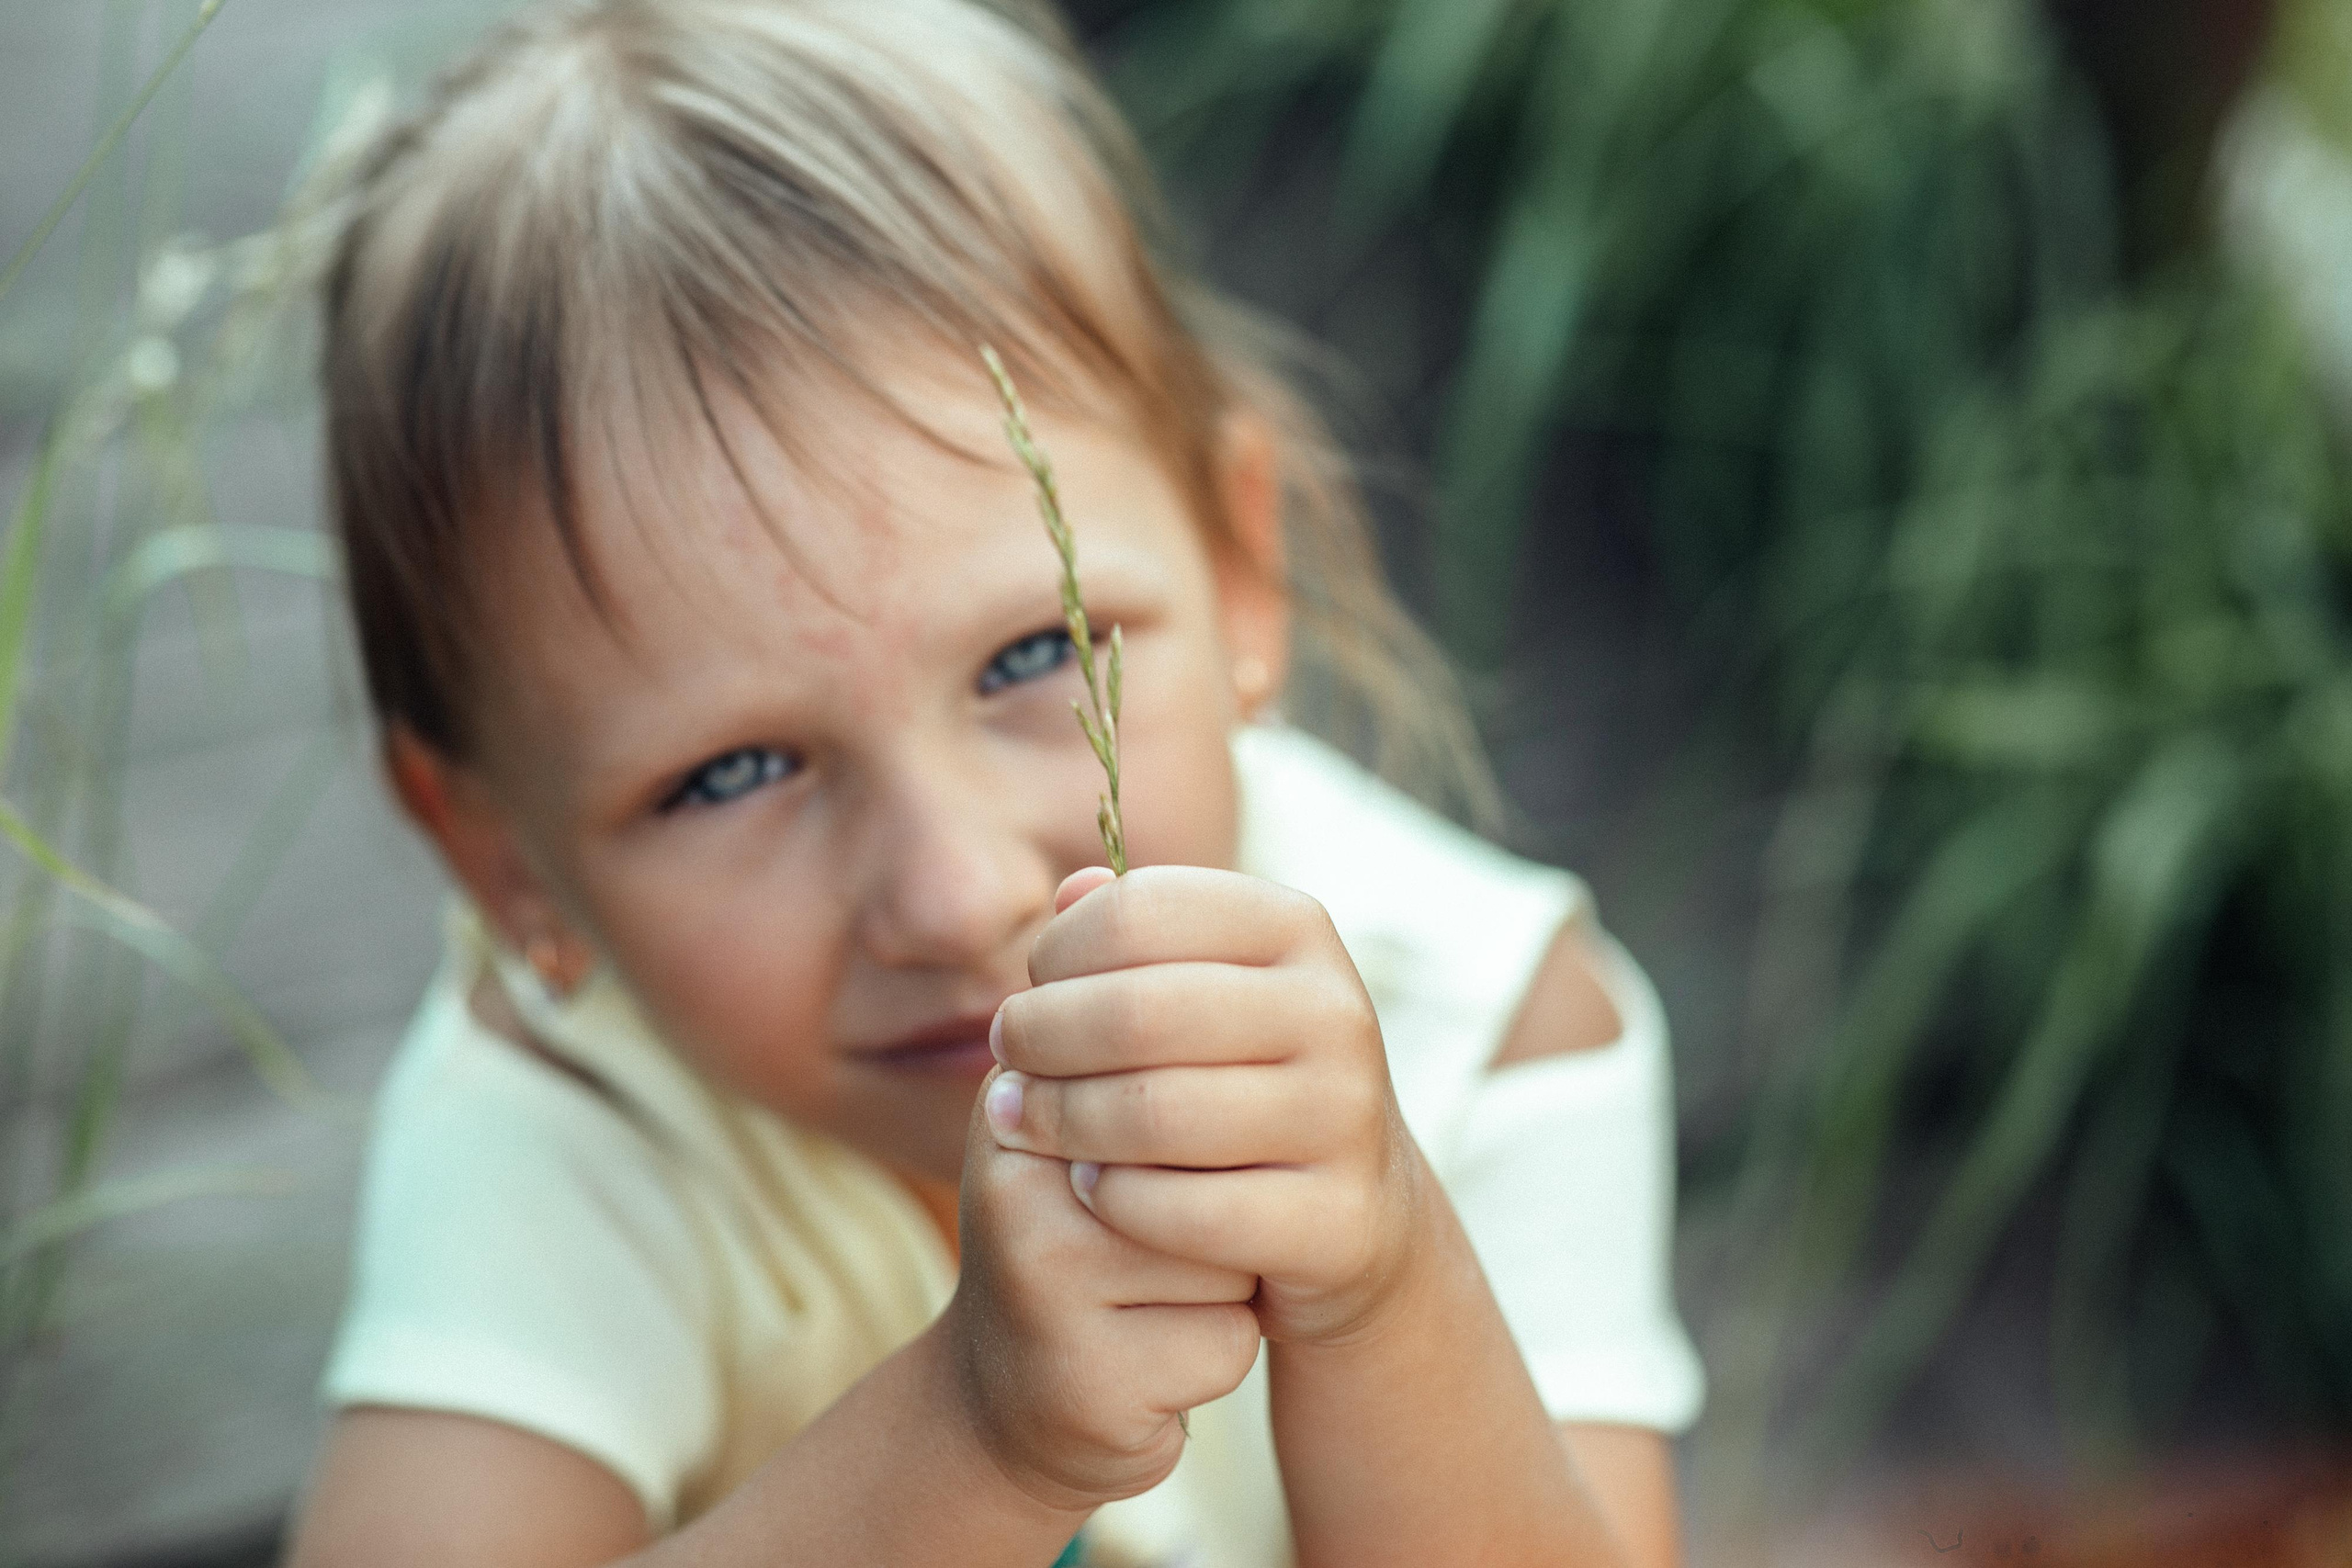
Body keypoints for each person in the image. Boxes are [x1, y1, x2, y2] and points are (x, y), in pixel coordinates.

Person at [282, 2, 1703, 1564]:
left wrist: (1382, 1285)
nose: (959, 899)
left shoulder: (1480, 1021)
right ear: (504, 865)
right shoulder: (573, 1112)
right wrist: (976, 1439)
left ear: (1240, 563)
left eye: (1037, 656)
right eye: (735, 772)